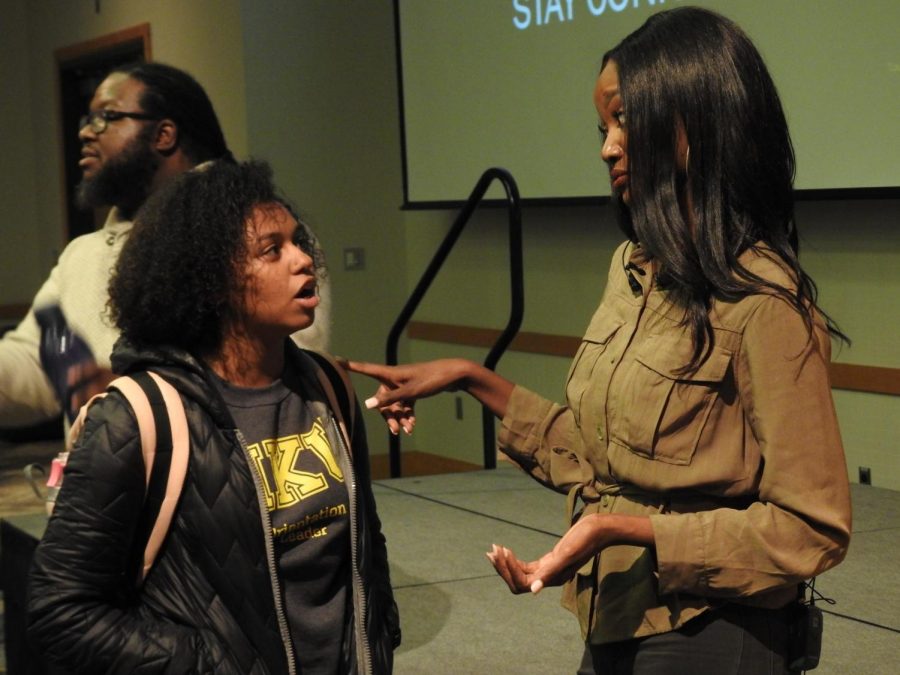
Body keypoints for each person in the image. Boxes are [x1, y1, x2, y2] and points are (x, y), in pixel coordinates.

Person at [344, 7, 851, 674]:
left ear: (691, 122)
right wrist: (472, 377)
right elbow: (599, 457)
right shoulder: (632, 270)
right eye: (602, 127)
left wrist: (630, 529)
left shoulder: (763, 299)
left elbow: (812, 526)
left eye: (623, 120)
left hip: (712, 628)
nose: (607, 147)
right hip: (616, 609)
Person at [27, 159, 399, 673]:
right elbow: (61, 612)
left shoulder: (329, 387)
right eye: (273, 250)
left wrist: (379, 637)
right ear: (213, 281)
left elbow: (364, 543)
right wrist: (212, 663)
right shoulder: (138, 417)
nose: (303, 260)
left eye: (299, 242)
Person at [0, 62, 330, 431]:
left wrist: (137, 393)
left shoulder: (258, 235)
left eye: (106, 117)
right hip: (113, 480)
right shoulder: (83, 253)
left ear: (164, 135)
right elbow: (37, 360)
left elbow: (286, 371)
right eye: (86, 120)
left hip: (226, 479)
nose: (86, 133)